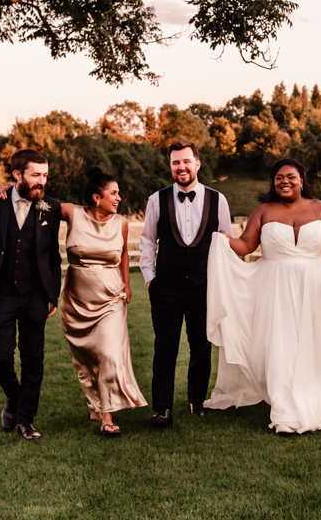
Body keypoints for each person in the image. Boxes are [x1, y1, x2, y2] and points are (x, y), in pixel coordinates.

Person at [205, 159, 321, 434]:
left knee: (313, 344)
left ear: (301, 180)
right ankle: (284, 414)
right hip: (275, 287)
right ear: (273, 182)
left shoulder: (320, 208)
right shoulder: (264, 211)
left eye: (290, 177)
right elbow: (246, 244)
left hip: (316, 286)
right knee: (281, 345)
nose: (284, 181)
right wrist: (226, 240)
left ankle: (313, 398)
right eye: (279, 177)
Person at [0, 167, 147, 437]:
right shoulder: (71, 213)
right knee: (86, 354)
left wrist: (127, 285)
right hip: (77, 297)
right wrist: (13, 186)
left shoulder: (121, 223)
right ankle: (94, 402)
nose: (119, 198)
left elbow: (123, 254)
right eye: (114, 193)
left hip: (111, 296)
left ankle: (107, 415)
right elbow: (37, 201)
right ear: (97, 198)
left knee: (109, 353)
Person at [0, 149, 62, 441]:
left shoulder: (50, 206)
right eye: (36, 175)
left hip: (35, 295)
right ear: (17, 175)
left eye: (45, 175)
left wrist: (53, 295)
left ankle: (26, 420)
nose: (41, 181)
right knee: (1, 358)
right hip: (0, 294)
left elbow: (53, 256)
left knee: (34, 360)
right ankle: (15, 397)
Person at [139, 140, 233, 428]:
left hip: (204, 287)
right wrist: (149, 280)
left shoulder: (218, 199)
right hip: (165, 287)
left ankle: (197, 400)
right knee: (165, 346)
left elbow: (225, 242)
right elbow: (146, 241)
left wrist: (221, 283)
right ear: (170, 166)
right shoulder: (157, 199)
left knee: (201, 346)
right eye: (175, 162)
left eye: (186, 161)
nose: (181, 167)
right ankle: (162, 408)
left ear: (197, 163)